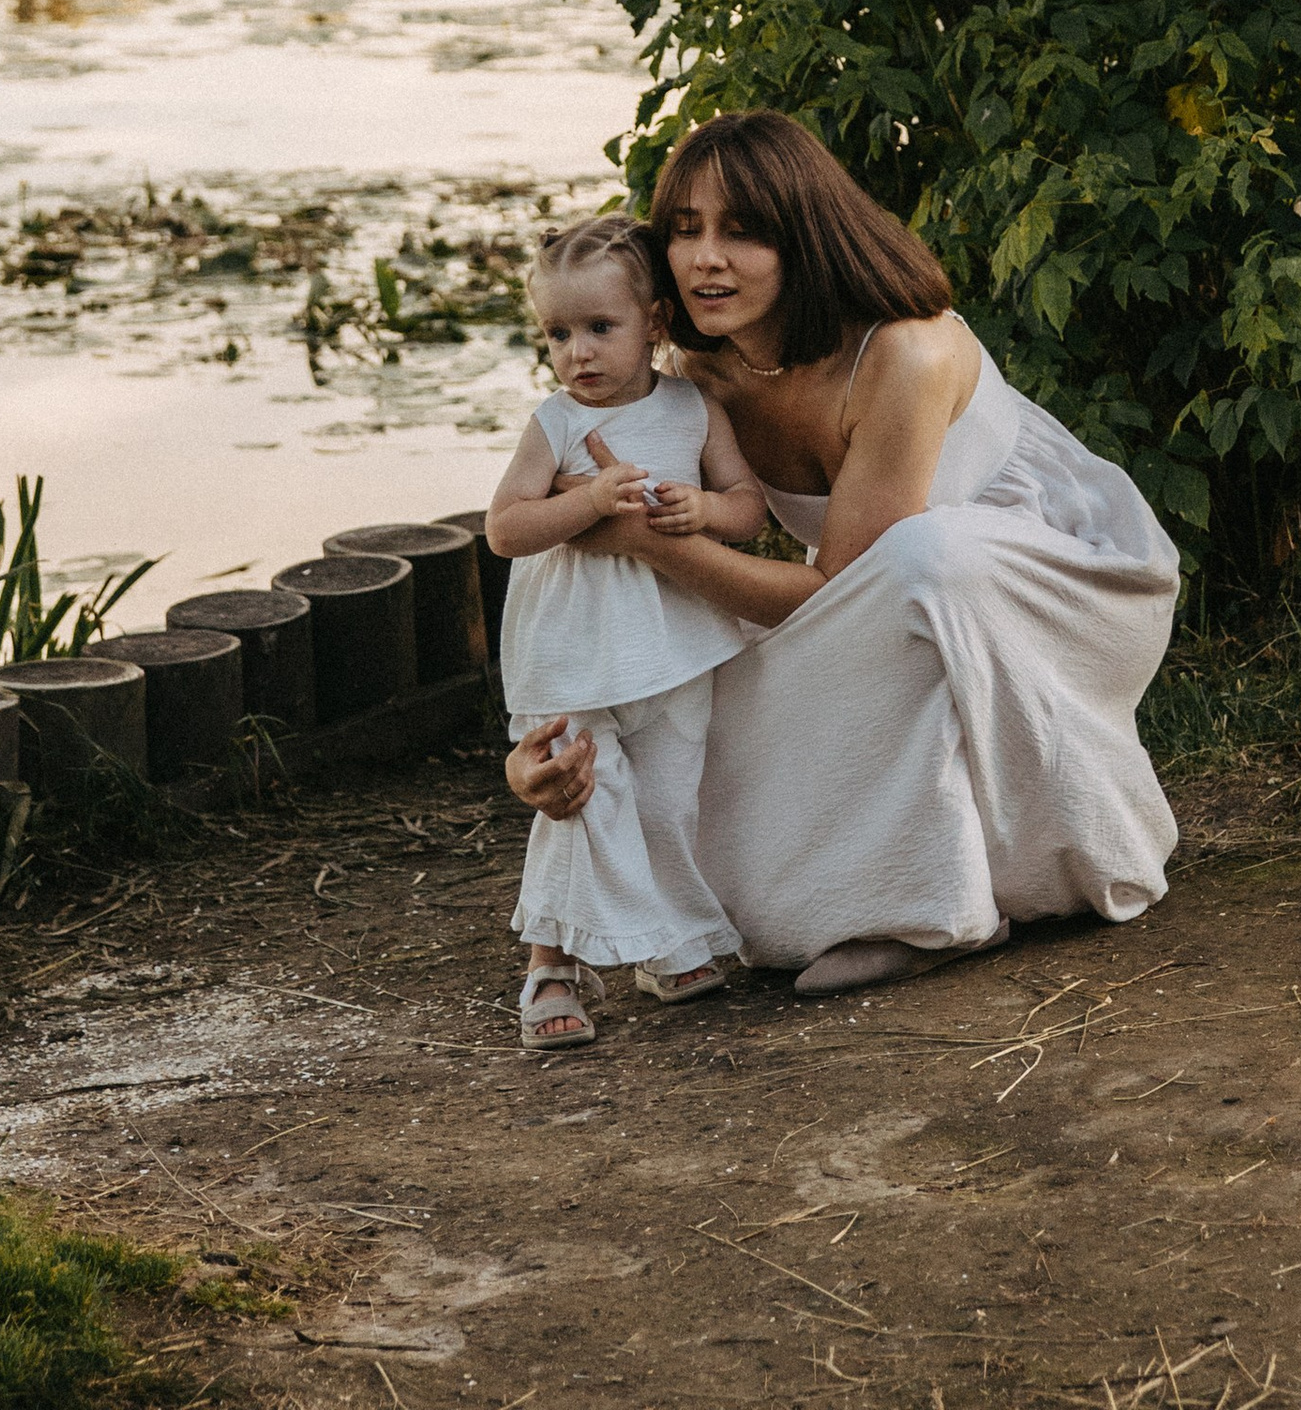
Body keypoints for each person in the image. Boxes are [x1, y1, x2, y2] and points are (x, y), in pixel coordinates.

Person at [506, 111, 1181, 997]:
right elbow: (557, 524)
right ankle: (875, 887)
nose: (707, 257)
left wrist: (642, 539)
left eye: (743, 232)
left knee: (925, 560)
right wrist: (539, 741)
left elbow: (844, 582)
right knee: (700, 823)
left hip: (1053, 576)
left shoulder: (905, 351)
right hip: (872, 598)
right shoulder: (693, 376)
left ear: (805, 237)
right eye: (686, 230)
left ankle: (936, 910)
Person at [485, 210, 770, 1047]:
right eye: (558, 333)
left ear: (652, 324)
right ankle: (550, 964)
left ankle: (667, 942)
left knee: (668, 798)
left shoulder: (692, 408)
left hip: (673, 640)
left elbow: (748, 510)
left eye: (600, 328)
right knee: (580, 792)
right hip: (571, 647)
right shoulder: (558, 423)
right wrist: (586, 502)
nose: (578, 353)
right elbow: (505, 529)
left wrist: (703, 508)